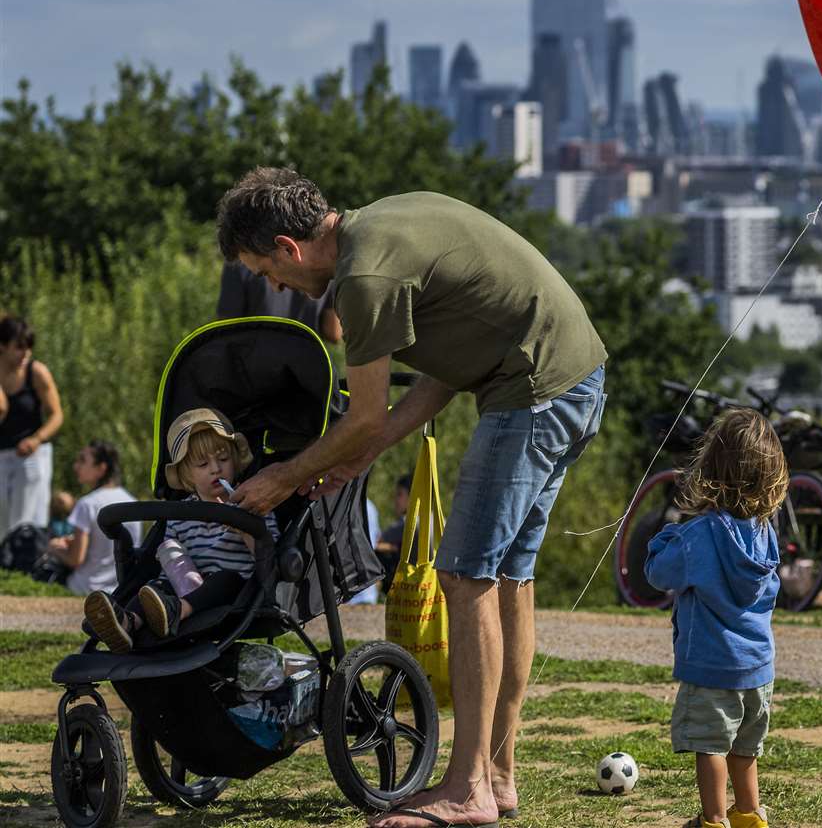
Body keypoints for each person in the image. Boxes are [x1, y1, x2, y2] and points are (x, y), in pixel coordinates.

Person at [218, 168, 607, 828]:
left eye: (266, 272)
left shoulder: (364, 278)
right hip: (572, 375)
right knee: (508, 576)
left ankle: (468, 789)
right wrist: (360, 455)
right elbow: (441, 374)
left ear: (287, 248)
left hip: (532, 392)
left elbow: (364, 414)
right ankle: (499, 777)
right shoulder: (383, 221)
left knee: (464, 574)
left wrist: (285, 476)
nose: (274, 288)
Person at [645, 408, 784, 828]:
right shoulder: (766, 532)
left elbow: (656, 572)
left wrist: (670, 533)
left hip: (712, 667)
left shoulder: (699, 535)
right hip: (759, 668)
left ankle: (714, 819)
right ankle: (749, 813)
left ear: (710, 468)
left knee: (711, 747)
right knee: (745, 748)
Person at [83, 410, 276, 650]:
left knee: (225, 580)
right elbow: (173, 562)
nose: (216, 468)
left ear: (236, 460)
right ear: (186, 474)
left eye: (223, 459)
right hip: (183, 586)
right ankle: (126, 622)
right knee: (154, 587)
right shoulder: (180, 513)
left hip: (233, 592)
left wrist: (244, 528)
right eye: (203, 464)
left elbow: (269, 554)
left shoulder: (253, 502)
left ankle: (177, 611)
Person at [47, 442, 140, 595]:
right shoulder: (131, 501)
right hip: (121, 589)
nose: (76, 466)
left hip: (86, 587)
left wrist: (53, 548)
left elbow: (75, 560)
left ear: (101, 468)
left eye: (82, 460)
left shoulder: (87, 504)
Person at [0, 314, 64, 534]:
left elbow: (56, 415)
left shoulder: (36, 372)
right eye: (19, 347)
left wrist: (37, 438)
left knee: (25, 520)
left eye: (28, 347)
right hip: (2, 454)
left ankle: (24, 563)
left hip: (30, 455)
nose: (25, 354)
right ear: (3, 346)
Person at [217, 258, 343, 343]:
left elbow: (226, 329)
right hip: (306, 368)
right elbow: (333, 333)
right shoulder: (322, 262)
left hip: (257, 369)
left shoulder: (241, 260)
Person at [376, 472, 412, 594]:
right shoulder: (434, 520)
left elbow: (376, 543)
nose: (395, 500)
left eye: (399, 494)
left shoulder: (406, 523)